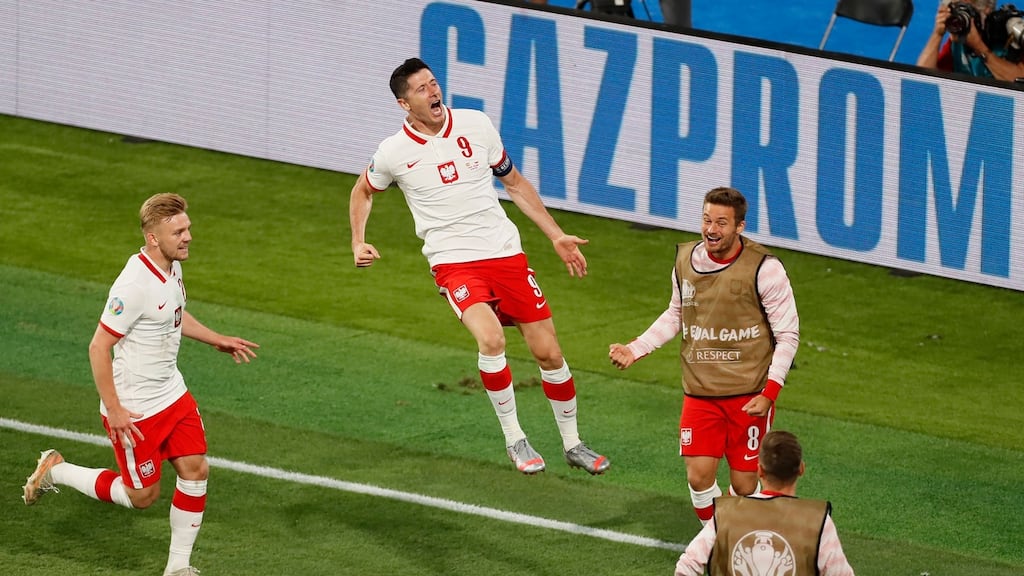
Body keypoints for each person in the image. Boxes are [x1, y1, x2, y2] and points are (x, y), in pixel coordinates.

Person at [349, 57, 609, 476]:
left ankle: (573, 442)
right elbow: (363, 191)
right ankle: (515, 439)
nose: (433, 92)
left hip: (505, 252)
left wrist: (555, 235)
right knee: (490, 341)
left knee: (549, 352)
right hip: (454, 262)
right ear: (404, 104)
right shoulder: (393, 152)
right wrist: (358, 240)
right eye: (421, 89)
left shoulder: (476, 124)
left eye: (434, 83)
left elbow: (515, 183)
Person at [22, 193, 259, 576]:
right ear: (153, 237)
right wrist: (114, 409)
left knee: (196, 469)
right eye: (178, 231)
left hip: (172, 393)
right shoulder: (131, 286)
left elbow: (173, 315)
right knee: (142, 496)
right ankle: (56, 470)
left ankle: (177, 569)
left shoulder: (171, 268)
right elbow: (99, 347)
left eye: (188, 228)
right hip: (136, 409)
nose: (188, 237)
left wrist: (215, 338)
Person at [608, 186, 798, 525]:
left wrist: (770, 393)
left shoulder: (765, 269)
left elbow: (787, 336)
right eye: (707, 220)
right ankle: (717, 539)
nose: (711, 229)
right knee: (698, 476)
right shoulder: (685, 260)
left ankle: (731, 524)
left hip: (749, 393)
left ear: (740, 226)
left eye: (722, 223)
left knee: (744, 484)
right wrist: (634, 349)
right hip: (700, 391)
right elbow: (674, 315)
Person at [673, 430, 855, 575]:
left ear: (759, 470)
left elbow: (687, 566)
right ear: (801, 469)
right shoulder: (817, 522)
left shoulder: (726, 515)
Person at [916, 0, 1024, 81]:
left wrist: (979, 48)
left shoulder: (1011, 34)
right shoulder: (957, 43)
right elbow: (922, 79)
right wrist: (937, 34)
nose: (960, 18)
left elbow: (1019, 81)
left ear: (986, 10)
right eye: (955, 11)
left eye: (966, 11)